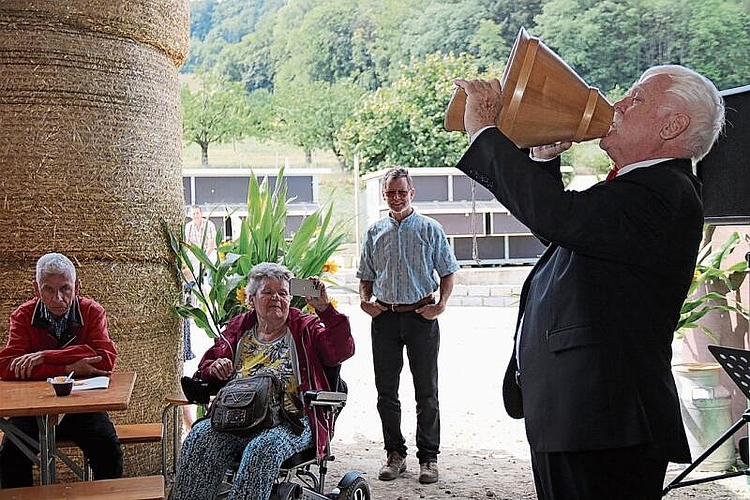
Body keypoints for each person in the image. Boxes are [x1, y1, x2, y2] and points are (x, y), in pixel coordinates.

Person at [453, 65, 725, 499]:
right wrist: (543, 160)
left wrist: (486, 134)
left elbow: (562, 219)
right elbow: (567, 235)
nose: (617, 104)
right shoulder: (644, 188)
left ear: (673, 125)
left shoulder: (663, 191)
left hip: (605, 421)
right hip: (586, 419)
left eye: (636, 99)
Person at [171, 262, 354, 500]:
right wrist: (215, 368)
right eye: (268, 292)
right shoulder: (239, 330)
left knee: (262, 449)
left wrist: (325, 310)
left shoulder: (305, 329)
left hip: (291, 421)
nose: (276, 298)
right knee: (199, 438)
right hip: (236, 415)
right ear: (251, 300)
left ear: (290, 299)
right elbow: (207, 365)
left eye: (283, 293)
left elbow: (342, 350)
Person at [357, 167, 460, 485]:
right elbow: (365, 275)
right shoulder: (374, 232)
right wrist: (365, 301)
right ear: (383, 195)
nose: (396, 197)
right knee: (386, 393)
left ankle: (428, 459)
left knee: (426, 392)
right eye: (391, 193)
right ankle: (395, 454)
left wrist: (440, 305)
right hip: (384, 319)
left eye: (402, 192)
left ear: (412, 193)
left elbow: (447, 270)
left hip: (421, 317)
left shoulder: (430, 229)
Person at [0, 252, 123, 488]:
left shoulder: (92, 311)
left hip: (82, 406)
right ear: (36, 289)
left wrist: (44, 357)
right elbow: (7, 366)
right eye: (48, 289)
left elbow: (106, 359)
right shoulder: (23, 316)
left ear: (77, 287)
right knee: (10, 455)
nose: (58, 298)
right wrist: (69, 367)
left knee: (107, 447)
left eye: (65, 288)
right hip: (31, 409)